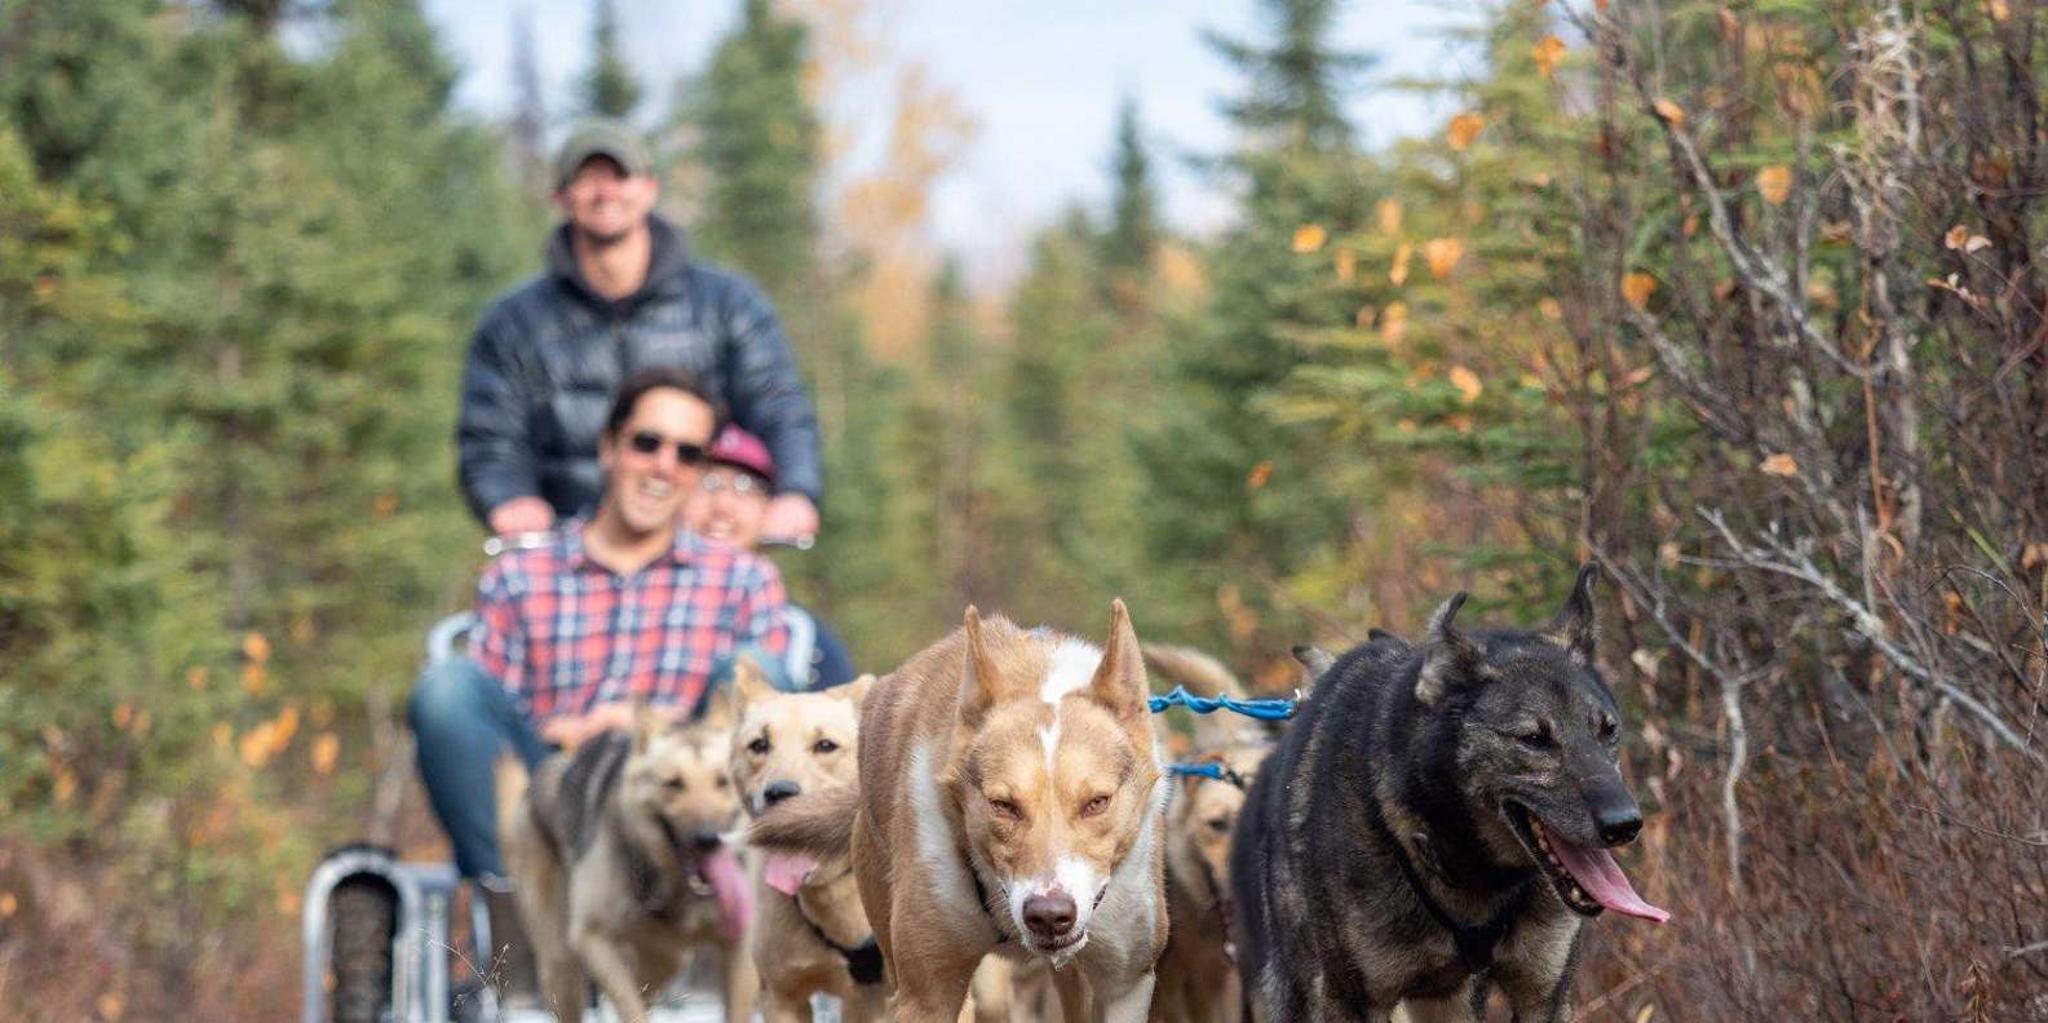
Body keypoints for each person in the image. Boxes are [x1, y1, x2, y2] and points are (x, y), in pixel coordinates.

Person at [409, 368, 789, 1014]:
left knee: (759, 670)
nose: (664, 465)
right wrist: (572, 732)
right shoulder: (518, 575)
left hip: (683, 800)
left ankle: (710, 936)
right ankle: (523, 936)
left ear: (698, 471)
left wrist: (656, 725)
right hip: (556, 797)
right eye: (647, 442)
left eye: (687, 452)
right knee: (447, 688)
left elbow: (760, 724)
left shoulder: (744, 580)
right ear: (609, 447)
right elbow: (485, 719)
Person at [458, 118, 824, 545]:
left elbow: (778, 406)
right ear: (560, 196)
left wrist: (795, 492)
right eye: (588, 178)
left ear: (649, 189)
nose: (606, 191)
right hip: (567, 555)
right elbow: (491, 436)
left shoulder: (728, 304)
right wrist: (509, 498)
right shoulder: (514, 322)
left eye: (620, 176)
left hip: (696, 546)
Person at [684, 425, 858, 691]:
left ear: (771, 507)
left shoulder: (810, 644)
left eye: (744, 487)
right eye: (708, 483)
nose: (722, 506)